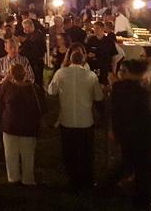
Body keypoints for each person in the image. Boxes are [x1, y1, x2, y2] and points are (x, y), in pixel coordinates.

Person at [47, 45, 104, 192]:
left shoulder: (61, 73)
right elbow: (99, 96)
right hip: (86, 120)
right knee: (86, 152)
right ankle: (86, 180)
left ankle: (72, 179)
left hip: (67, 120)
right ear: (83, 59)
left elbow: (51, 91)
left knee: (69, 151)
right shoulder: (91, 76)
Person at [106, 59, 151, 209]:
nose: (119, 74)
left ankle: (109, 187)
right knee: (139, 167)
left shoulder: (123, 87)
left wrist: (115, 130)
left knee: (129, 163)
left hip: (133, 134)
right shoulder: (140, 87)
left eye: (122, 71)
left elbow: (116, 112)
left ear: (129, 72)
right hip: (140, 134)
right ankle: (140, 200)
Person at [0, 63, 45, 186]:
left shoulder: (7, 87)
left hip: (10, 126)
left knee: (11, 154)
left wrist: (4, 81)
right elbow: (42, 107)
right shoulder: (34, 89)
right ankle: (28, 179)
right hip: (29, 127)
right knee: (28, 155)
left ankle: (13, 178)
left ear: (11, 75)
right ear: (25, 74)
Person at [20, 19, 47, 87]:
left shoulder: (37, 35)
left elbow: (34, 48)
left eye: (26, 28)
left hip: (36, 62)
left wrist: (25, 41)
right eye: (24, 28)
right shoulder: (31, 35)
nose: (25, 30)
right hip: (32, 61)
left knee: (37, 81)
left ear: (31, 26)